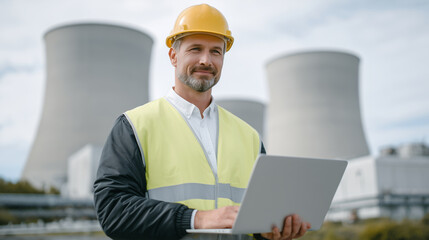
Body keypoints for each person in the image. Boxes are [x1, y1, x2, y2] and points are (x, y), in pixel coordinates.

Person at [93, 4, 310, 240]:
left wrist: (272, 232)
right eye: (195, 49)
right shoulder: (135, 126)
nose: (206, 60)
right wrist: (197, 218)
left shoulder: (249, 137)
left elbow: (258, 216)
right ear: (173, 56)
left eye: (216, 51)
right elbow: (113, 211)